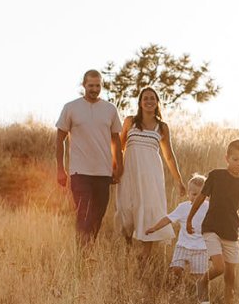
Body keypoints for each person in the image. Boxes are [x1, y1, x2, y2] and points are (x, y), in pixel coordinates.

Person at [115, 86, 186, 260]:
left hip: (151, 174)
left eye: (152, 98)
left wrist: (179, 180)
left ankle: (144, 256)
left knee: (150, 210)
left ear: (157, 102)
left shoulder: (162, 127)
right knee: (126, 208)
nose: (149, 101)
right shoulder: (130, 121)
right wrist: (115, 168)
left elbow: (169, 156)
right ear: (140, 102)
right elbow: (119, 147)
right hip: (130, 171)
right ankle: (128, 245)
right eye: (145, 98)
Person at [56, 70, 123, 245]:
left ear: (102, 85)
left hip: (103, 172)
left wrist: (118, 167)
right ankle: (82, 253)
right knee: (83, 213)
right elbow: (59, 139)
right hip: (80, 172)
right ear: (84, 85)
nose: (94, 89)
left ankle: (88, 249)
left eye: (97, 85)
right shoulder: (71, 107)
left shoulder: (110, 109)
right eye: (91, 85)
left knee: (98, 215)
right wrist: (60, 169)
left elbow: (116, 140)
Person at [186, 139, 239, 304]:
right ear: (227, 158)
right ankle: (202, 282)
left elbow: (236, 207)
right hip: (211, 228)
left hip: (231, 231)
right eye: (235, 159)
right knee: (220, 267)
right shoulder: (215, 175)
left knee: (230, 276)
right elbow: (200, 198)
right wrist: (189, 219)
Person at [147, 174, 209, 283]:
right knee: (176, 269)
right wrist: (154, 228)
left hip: (201, 248)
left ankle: (197, 295)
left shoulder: (208, 207)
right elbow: (168, 219)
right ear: (188, 194)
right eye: (194, 194)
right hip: (183, 246)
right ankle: (175, 288)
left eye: (200, 195)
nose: (197, 198)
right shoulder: (183, 207)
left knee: (199, 278)